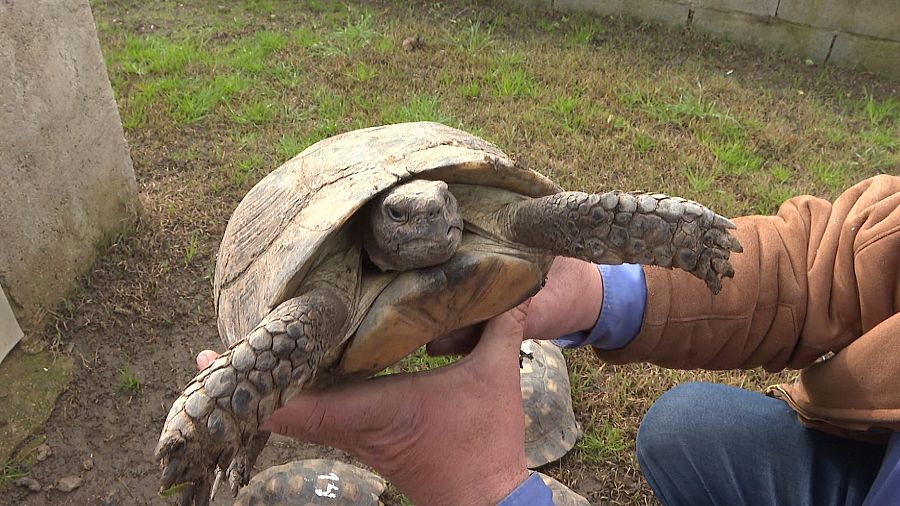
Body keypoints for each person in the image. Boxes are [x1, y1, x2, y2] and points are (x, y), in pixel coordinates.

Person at [197, 174, 900, 505]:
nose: (444, 222)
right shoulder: (326, 296)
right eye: (414, 216)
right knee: (685, 425)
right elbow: (851, 256)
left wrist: (489, 494)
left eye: (451, 207)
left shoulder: (471, 219)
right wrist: (604, 289)